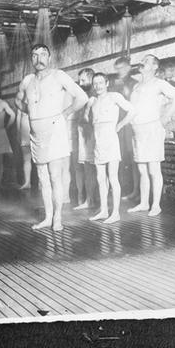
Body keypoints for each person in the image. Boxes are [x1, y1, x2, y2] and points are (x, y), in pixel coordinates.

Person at [15, 44, 88, 231]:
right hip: (36, 134)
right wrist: (32, 113)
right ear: (31, 59)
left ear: (49, 58)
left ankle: (58, 218)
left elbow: (82, 97)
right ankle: (48, 217)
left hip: (55, 131)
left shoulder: (58, 76)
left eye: (43, 55)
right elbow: (17, 100)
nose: (38, 59)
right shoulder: (27, 80)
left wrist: (65, 113)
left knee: (55, 176)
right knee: (42, 178)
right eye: (34, 55)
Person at [128, 54, 175, 217]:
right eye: (142, 60)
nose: (142, 63)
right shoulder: (136, 86)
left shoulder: (159, 83)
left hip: (152, 128)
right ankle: (144, 203)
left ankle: (156, 205)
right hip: (137, 130)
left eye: (146, 61)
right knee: (142, 169)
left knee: (153, 169)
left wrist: (166, 116)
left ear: (154, 67)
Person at [85, 73, 134, 223]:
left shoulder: (114, 96)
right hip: (98, 142)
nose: (98, 86)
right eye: (95, 83)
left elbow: (132, 110)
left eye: (101, 82)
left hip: (111, 141)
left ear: (107, 83)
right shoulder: (93, 101)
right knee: (101, 178)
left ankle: (116, 213)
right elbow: (87, 118)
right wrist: (87, 113)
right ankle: (104, 210)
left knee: (113, 177)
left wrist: (120, 125)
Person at [112, 57, 140, 201]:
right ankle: (124, 189)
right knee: (120, 157)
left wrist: (123, 89)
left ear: (129, 67)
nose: (119, 71)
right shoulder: (113, 84)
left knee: (134, 158)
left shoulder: (135, 83)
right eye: (117, 69)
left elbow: (135, 106)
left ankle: (136, 190)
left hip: (130, 124)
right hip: (117, 125)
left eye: (122, 68)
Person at [72, 68, 98, 210]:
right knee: (86, 167)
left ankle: (91, 200)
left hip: (90, 134)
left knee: (90, 168)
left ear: (91, 79)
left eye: (83, 80)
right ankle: (88, 199)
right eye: (79, 81)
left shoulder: (94, 95)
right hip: (83, 134)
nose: (80, 83)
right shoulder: (84, 95)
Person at [16, 108, 33, 190]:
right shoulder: (21, 107)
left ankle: (41, 182)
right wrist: (18, 133)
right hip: (25, 135)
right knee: (26, 159)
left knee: (41, 159)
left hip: (37, 133)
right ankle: (27, 182)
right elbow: (18, 120)